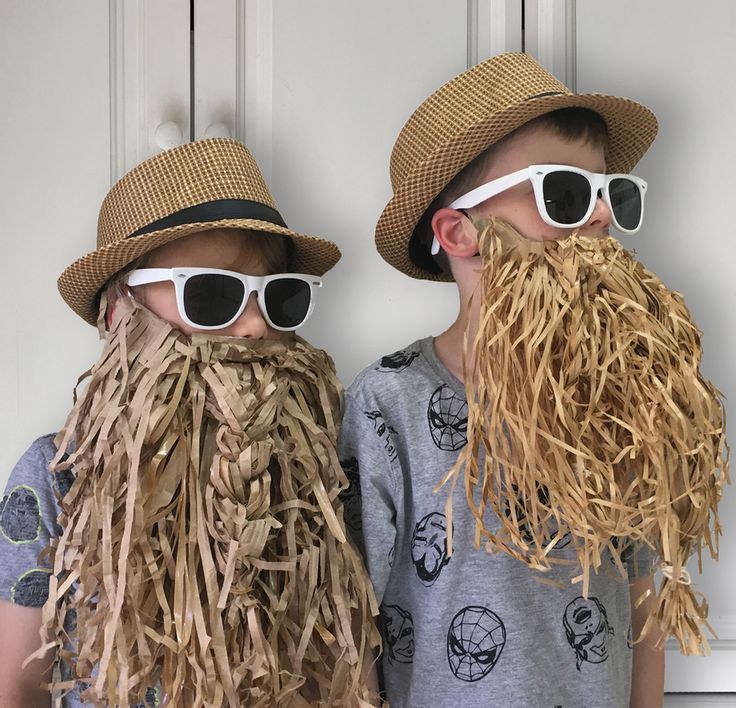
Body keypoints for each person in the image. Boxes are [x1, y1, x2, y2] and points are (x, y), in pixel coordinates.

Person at [339, 52, 727, 707]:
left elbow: (641, 598)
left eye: (611, 194)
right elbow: (348, 639)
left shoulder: (613, 394)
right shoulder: (388, 407)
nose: (600, 217)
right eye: (565, 195)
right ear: (460, 232)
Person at [0, 138, 379, 707]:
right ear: (118, 313)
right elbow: (18, 683)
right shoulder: (59, 475)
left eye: (278, 298)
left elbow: (348, 668)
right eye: (211, 294)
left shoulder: (316, 469)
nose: (254, 325)